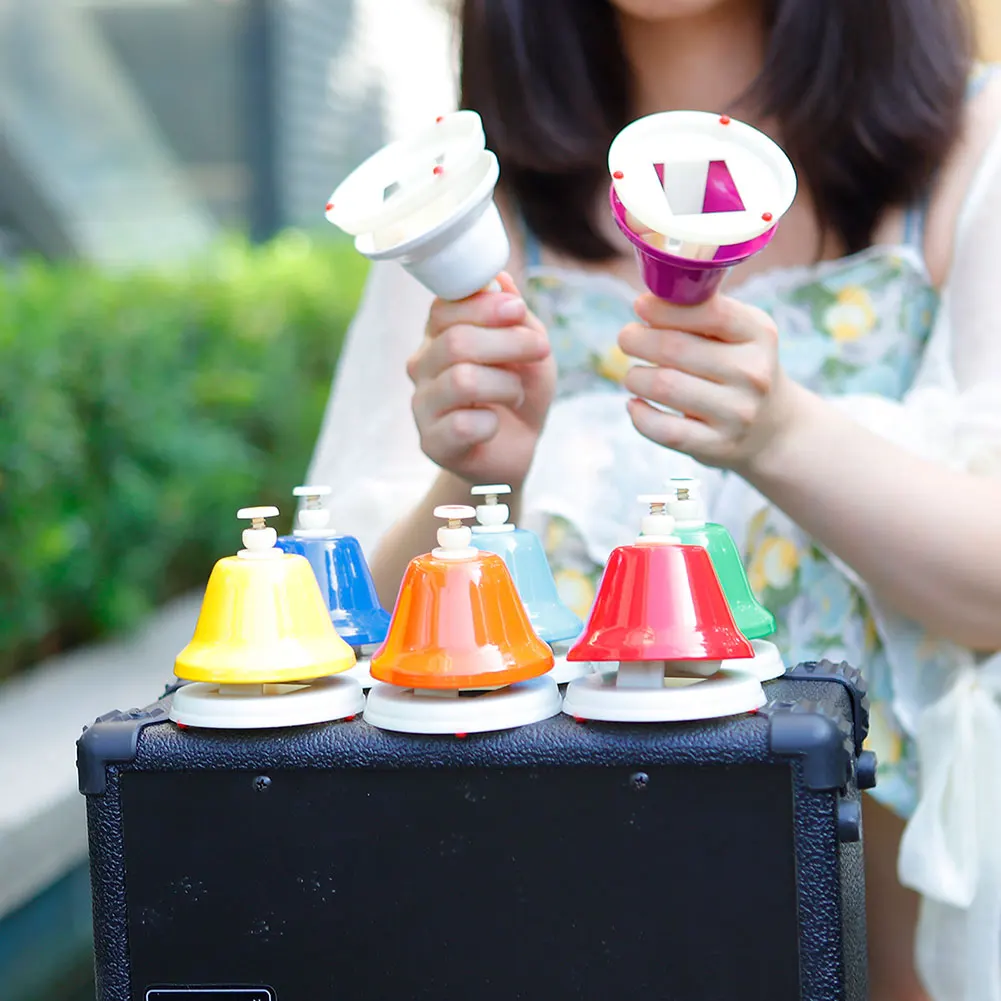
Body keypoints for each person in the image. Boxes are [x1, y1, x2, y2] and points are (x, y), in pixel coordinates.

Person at [309, 2, 1001, 998]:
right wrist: (479, 484)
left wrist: (783, 435)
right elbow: (343, 643)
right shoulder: (463, 200)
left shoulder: (972, 151)